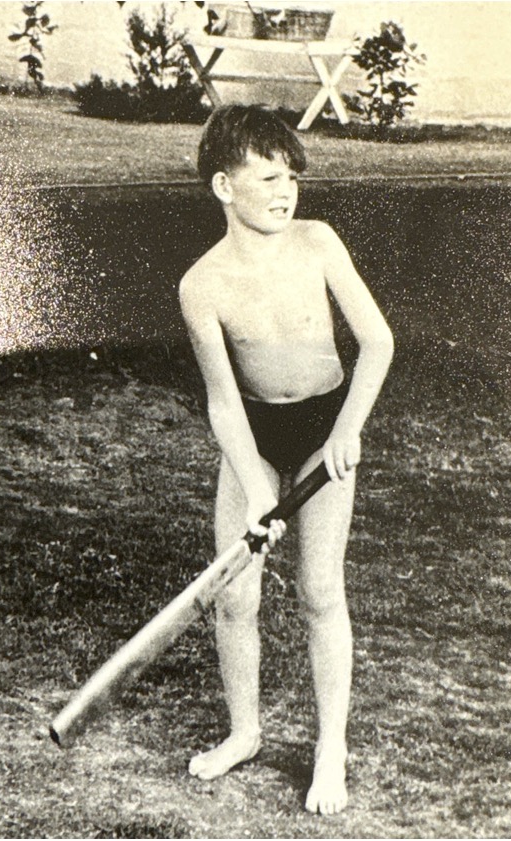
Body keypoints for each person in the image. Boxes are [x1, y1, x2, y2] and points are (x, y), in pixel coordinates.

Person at [179, 104, 394, 816]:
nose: (285, 190)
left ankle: (331, 747)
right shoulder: (201, 284)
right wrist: (252, 487)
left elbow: (378, 341)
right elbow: (223, 404)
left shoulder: (318, 242)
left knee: (318, 588)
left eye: (292, 177)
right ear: (222, 188)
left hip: (326, 427)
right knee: (234, 592)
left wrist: (347, 431)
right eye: (268, 177)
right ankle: (245, 731)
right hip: (257, 434)